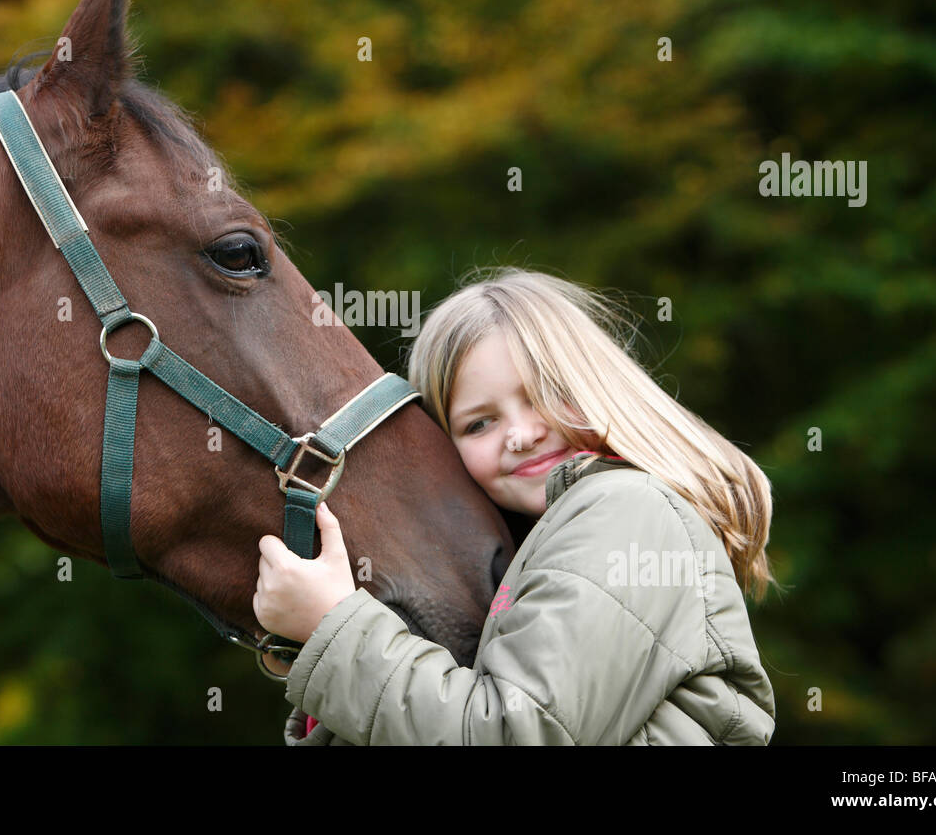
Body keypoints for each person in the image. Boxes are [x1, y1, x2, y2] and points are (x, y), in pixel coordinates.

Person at [254, 266, 777, 745]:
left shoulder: (627, 509)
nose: (523, 435)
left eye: (547, 393)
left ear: (602, 386)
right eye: (479, 423)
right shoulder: (544, 545)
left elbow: (514, 733)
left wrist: (333, 627)